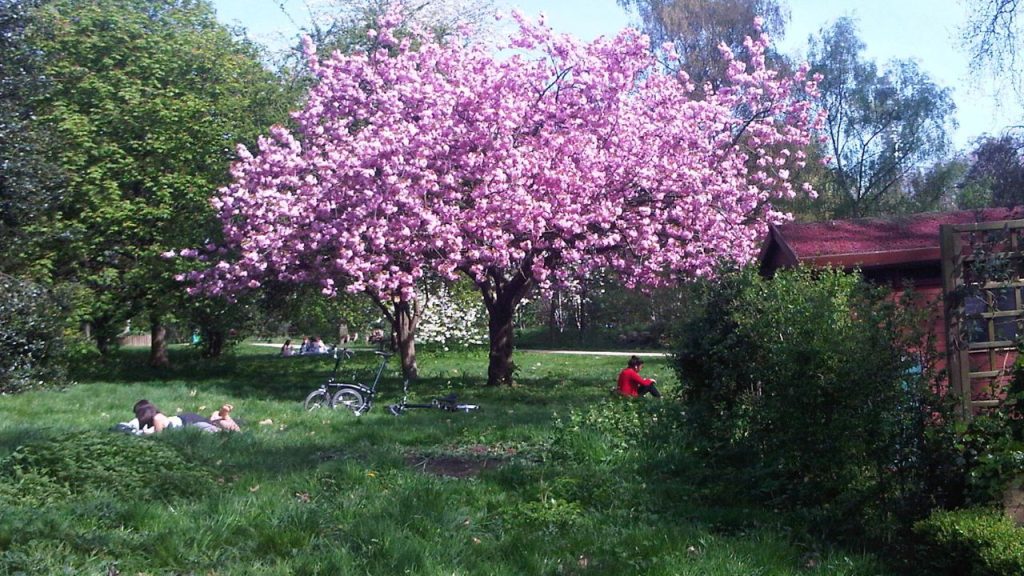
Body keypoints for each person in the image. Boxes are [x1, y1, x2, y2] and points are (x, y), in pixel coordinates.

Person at [133, 399, 219, 433]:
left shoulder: (157, 418)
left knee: (216, 431)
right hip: (186, 419)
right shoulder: (156, 417)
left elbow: (159, 436)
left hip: (189, 421)